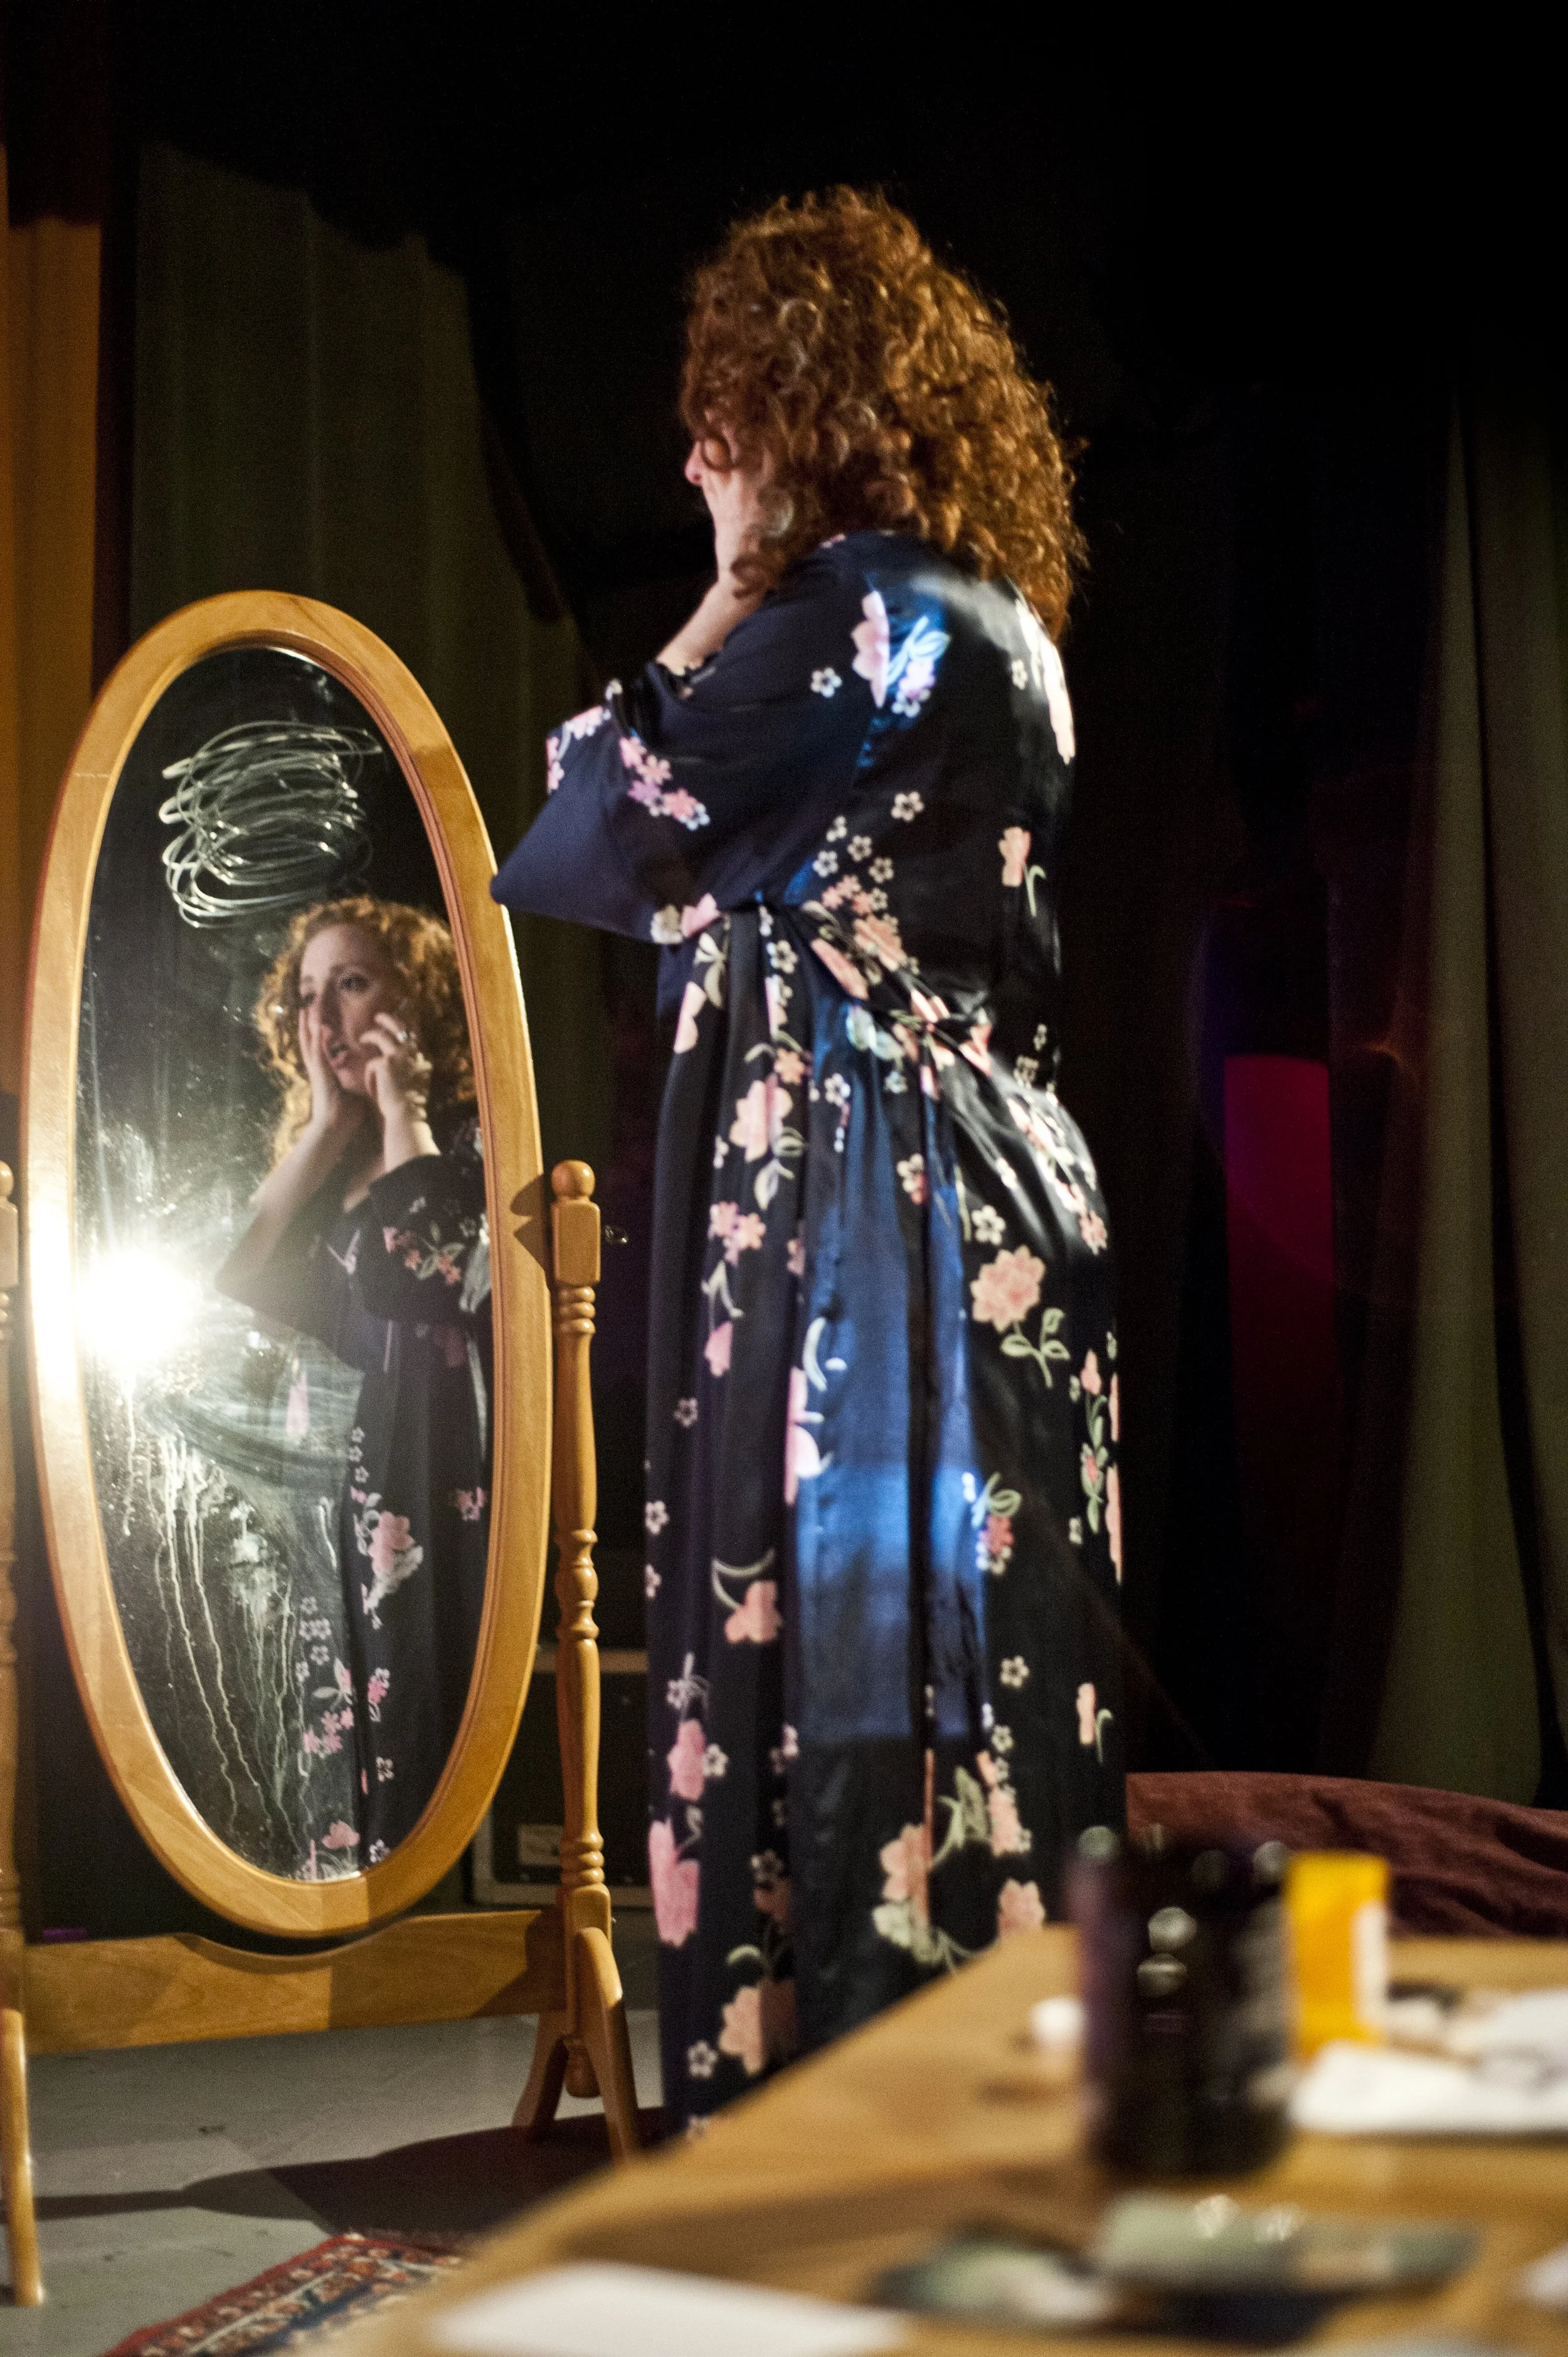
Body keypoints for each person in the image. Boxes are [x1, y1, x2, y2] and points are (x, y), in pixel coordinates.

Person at [493, 189, 1123, 2131]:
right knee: (983, 1656)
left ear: (806, 408)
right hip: (998, 1184)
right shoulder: (1000, 622)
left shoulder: (849, 617)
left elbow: (592, 816)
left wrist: (718, 582)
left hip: (871, 1210)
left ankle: (841, 2118)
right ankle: (993, 2094)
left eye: (724, 418)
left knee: (857, 1635)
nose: (695, 455)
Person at [218, 895, 490, 1868]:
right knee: (327, 1728)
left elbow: (421, 1268)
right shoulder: (323, 1164)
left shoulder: (464, 1145)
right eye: (308, 995)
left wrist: (402, 1109)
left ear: (414, 1000)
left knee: (425, 1710)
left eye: (355, 983)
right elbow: (230, 1276)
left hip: (429, 1474)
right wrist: (329, 1128)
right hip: (322, 1486)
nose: (327, 1017)